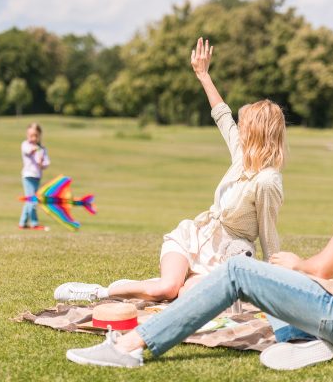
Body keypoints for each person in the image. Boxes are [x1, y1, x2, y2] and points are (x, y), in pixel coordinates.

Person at [64, 109, 333, 370]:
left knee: (239, 271)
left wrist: (294, 264)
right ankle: (309, 338)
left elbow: (324, 266)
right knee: (294, 287)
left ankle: (132, 346)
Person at [54, 37, 286, 302]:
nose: (238, 128)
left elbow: (269, 235)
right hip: (196, 236)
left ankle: (143, 287)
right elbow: (222, 115)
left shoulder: (267, 181)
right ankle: (98, 292)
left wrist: (276, 289)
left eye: (243, 125)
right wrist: (203, 74)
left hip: (225, 256)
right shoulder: (242, 156)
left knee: (184, 297)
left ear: (256, 132)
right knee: (167, 290)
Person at [18, 122, 51, 230]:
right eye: (31, 135)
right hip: (28, 176)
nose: (33, 138)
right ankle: (34, 223)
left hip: (37, 177)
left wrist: (42, 163)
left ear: (39, 135)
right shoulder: (25, 145)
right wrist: (34, 149)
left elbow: (46, 163)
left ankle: (22, 223)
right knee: (32, 200)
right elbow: (27, 152)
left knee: (30, 200)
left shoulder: (42, 149)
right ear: (27, 135)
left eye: (36, 135)